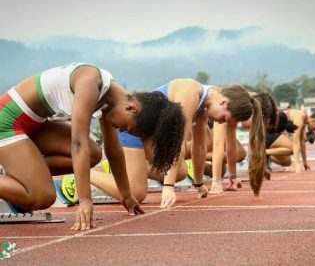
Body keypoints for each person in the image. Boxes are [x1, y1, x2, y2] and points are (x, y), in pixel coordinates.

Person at [0, 62, 185, 230]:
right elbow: (78, 143)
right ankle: (23, 178)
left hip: (32, 124)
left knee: (94, 155)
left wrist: (126, 195)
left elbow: (113, 150)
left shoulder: (108, 96)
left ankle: (20, 174)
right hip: (6, 122)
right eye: (128, 127)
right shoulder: (90, 82)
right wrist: (85, 200)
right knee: (42, 196)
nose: (123, 131)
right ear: (132, 108)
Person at [90, 79, 265, 207]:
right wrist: (168, 187)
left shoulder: (204, 105)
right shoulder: (191, 93)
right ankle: (83, 173)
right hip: (134, 128)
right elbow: (179, 142)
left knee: (180, 171)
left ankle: (122, 168)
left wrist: (198, 183)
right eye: (224, 118)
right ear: (224, 102)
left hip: (149, 136)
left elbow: (199, 146)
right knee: (137, 193)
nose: (220, 123)